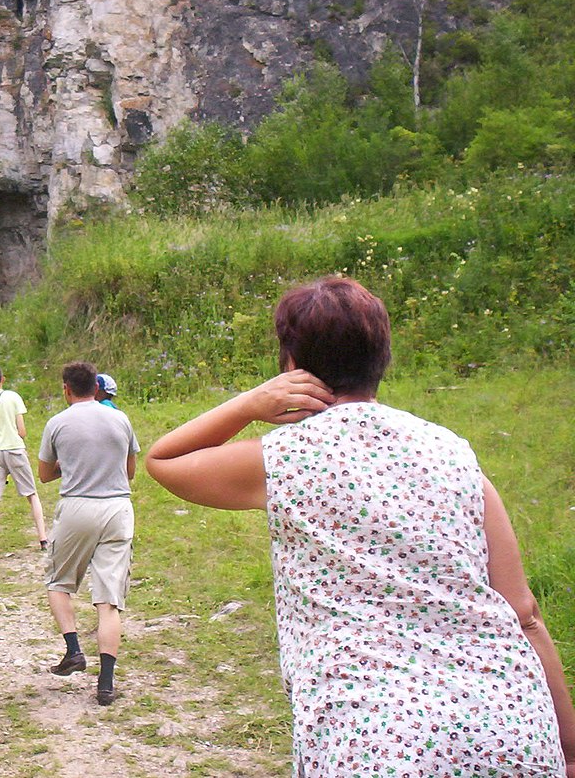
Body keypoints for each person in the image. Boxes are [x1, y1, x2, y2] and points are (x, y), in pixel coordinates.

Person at [145, 276, 575, 774]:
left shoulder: (283, 458)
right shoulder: (452, 451)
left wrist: (249, 403)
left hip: (374, 739)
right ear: (383, 358)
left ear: (291, 365)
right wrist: (567, 748)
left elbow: (165, 458)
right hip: (511, 726)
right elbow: (524, 614)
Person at [36, 361, 140, 707]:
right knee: (109, 601)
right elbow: (130, 471)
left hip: (78, 506)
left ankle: (73, 650)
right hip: (117, 509)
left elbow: (46, 475)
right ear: (97, 387)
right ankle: (106, 684)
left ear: (66, 389)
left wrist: (72, 462)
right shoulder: (120, 419)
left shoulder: (58, 423)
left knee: (59, 581)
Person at [0, 365, 47, 563]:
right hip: (14, 448)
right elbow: (22, 431)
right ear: (2, 379)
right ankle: (43, 538)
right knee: (31, 494)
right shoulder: (13, 397)